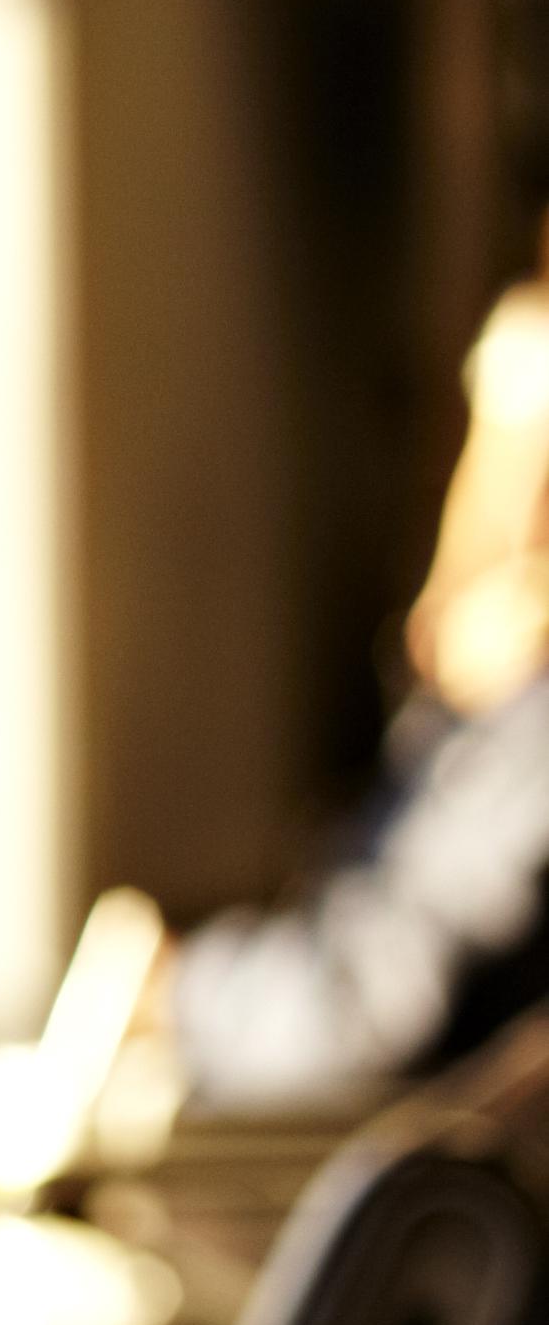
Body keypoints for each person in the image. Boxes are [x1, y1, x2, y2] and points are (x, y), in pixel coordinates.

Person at [167, 247, 549, 1113]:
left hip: (415, 1168)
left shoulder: (529, 729)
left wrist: (187, 994)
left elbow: (377, 1004)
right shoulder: (478, 705)